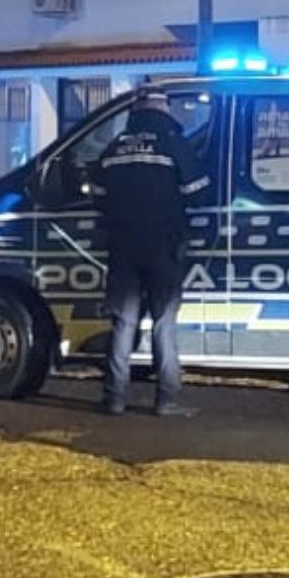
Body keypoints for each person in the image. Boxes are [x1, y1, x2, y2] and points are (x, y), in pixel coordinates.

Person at [90, 87, 210, 416]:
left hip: (122, 248)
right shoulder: (173, 143)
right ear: (162, 109)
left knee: (123, 323)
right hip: (162, 246)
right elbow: (197, 189)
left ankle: (114, 399)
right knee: (163, 324)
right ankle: (167, 400)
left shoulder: (115, 147)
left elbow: (97, 192)